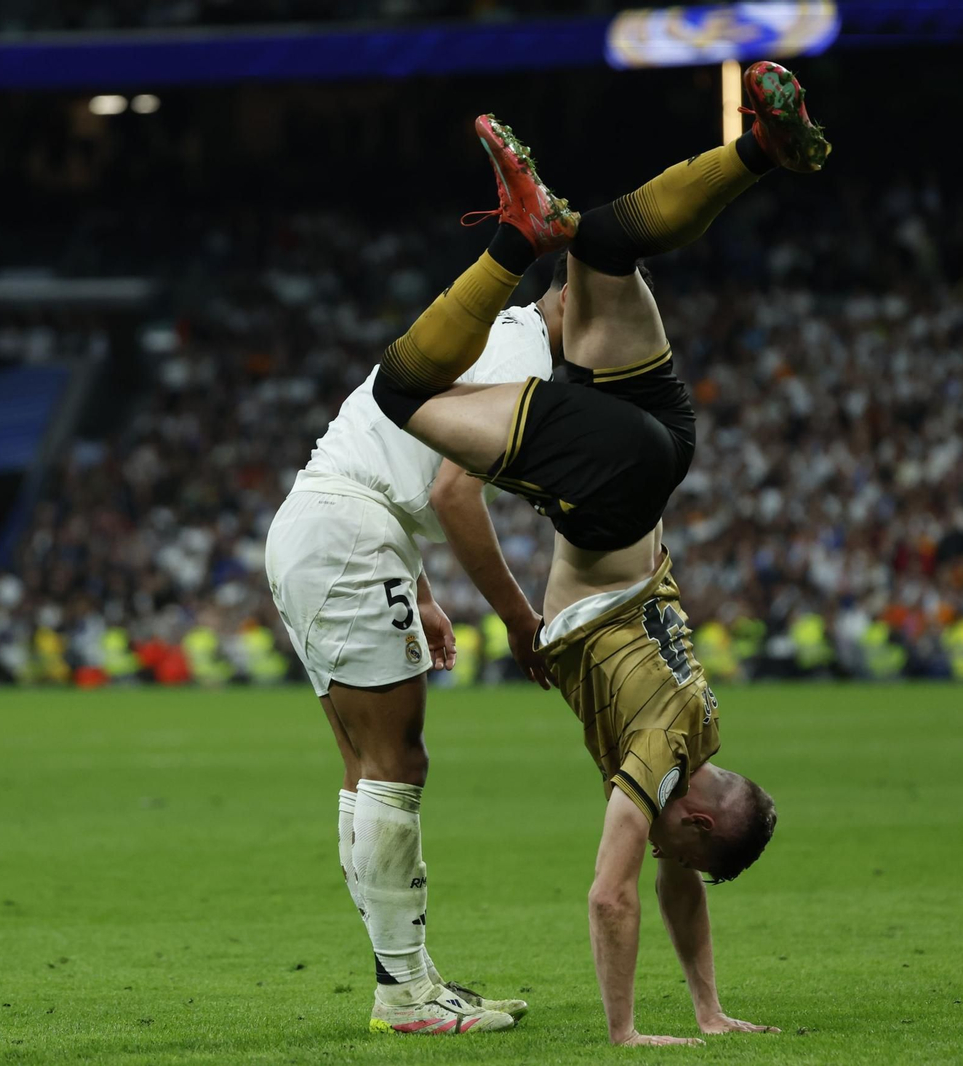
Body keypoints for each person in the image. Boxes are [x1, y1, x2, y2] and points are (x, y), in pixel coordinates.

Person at [360, 61, 827, 1044]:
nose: (676, 861)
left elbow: (670, 875)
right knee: (400, 395)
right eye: (689, 851)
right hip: (610, 494)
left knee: (605, 242)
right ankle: (510, 240)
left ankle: (758, 150)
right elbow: (613, 893)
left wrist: (706, 1010)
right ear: (697, 818)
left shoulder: (698, 731)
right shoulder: (661, 758)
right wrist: (623, 1034)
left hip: (661, 448)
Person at [264, 136, 570, 1033]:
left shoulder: (497, 336)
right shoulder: (526, 352)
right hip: (350, 530)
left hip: (325, 523)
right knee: (398, 763)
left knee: (365, 769)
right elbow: (453, 490)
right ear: (572, 307)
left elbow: (410, 470)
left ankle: (409, 981)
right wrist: (519, 619)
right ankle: (404, 993)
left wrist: (422, 587)